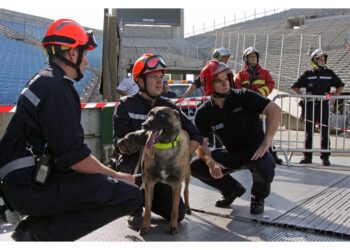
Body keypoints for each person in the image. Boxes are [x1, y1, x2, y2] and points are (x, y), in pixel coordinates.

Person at [0, 19, 142, 241]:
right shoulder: (57, 88)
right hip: (29, 188)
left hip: (21, 184)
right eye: (84, 54)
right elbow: (76, 159)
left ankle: (36, 226)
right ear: (72, 54)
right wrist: (119, 176)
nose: (86, 61)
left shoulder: (44, 80)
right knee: (129, 196)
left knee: (95, 183)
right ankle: (37, 236)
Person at [113, 53, 202, 229]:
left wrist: (183, 159)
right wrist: (140, 138)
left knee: (179, 215)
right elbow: (119, 145)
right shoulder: (125, 106)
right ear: (139, 81)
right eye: (153, 77)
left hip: (161, 172)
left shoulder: (170, 108)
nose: (160, 81)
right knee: (125, 163)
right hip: (135, 171)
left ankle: (148, 199)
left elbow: (196, 135)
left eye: (161, 77)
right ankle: (135, 207)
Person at [190, 60, 281, 214]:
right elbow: (202, 145)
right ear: (209, 85)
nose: (225, 83)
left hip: (257, 152)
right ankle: (231, 189)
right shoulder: (203, 112)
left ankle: (257, 197)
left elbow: (275, 110)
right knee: (196, 166)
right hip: (233, 154)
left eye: (226, 78)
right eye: (218, 81)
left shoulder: (243, 95)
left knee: (265, 168)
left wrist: (267, 140)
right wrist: (211, 163)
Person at [291, 48, 344, 166]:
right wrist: (303, 97)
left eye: (324, 58)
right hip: (310, 105)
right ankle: (307, 157)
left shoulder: (329, 73)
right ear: (314, 60)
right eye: (320, 58)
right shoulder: (308, 74)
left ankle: (325, 157)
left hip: (323, 105)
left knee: (324, 130)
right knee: (309, 131)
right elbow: (295, 86)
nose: (323, 60)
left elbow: (340, 86)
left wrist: (333, 97)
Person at [234, 47, 283, 164]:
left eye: (255, 56)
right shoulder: (241, 74)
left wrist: (261, 93)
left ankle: (272, 155)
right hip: (247, 107)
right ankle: (248, 156)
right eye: (251, 56)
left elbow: (270, 84)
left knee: (265, 131)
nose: (253, 58)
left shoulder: (264, 72)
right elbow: (237, 87)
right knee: (248, 131)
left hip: (261, 105)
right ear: (246, 59)